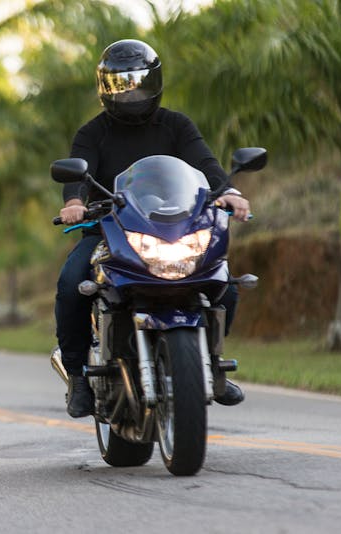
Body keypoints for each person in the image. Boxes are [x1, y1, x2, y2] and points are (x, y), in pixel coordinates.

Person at [56, 39, 251, 418]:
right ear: (105, 88)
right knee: (71, 283)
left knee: (224, 282)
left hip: (176, 229)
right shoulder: (92, 133)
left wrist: (228, 191)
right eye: (121, 85)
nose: (131, 93)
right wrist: (74, 203)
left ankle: (210, 363)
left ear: (155, 82)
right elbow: (78, 172)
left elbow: (204, 163)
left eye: (139, 83)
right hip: (109, 231)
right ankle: (78, 375)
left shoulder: (176, 125)